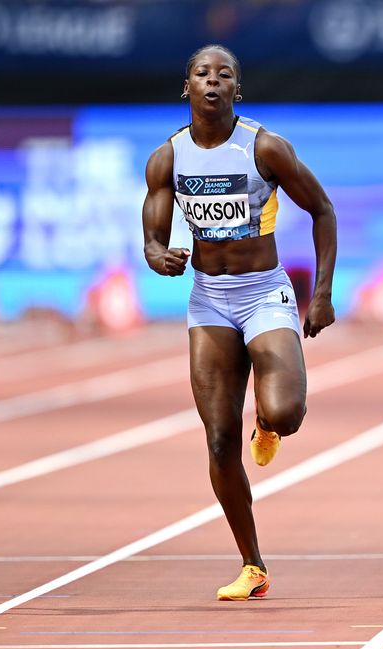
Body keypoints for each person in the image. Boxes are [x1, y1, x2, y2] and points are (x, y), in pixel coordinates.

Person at [142, 44, 337, 600]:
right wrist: (157, 254)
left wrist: (319, 295)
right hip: (209, 299)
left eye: (223, 75)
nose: (212, 82)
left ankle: (270, 424)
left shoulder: (264, 147)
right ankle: (252, 563)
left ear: (236, 89)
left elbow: (322, 209)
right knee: (220, 438)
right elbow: (153, 233)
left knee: (286, 411)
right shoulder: (168, 159)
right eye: (202, 73)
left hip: (263, 295)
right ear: (187, 87)